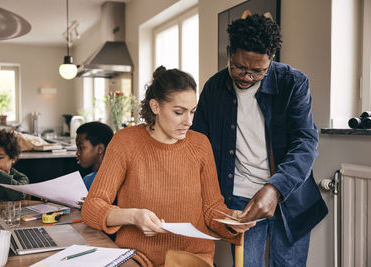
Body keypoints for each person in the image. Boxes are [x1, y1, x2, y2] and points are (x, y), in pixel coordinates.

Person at [81, 66, 255, 267]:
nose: (188, 121)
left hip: (192, 255)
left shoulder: (200, 144)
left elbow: (212, 208)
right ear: (155, 107)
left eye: (192, 112)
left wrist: (232, 219)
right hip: (137, 255)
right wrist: (133, 216)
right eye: (178, 112)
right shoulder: (125, 141)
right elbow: (92, 206)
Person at [191, 14, 328, 266]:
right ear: (229, 51)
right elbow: (197, 145)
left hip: (290, 195)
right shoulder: (214, 88)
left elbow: (306, 142)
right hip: (240, 202)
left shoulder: (293, 83)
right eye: (239, 67)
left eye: (258, 71)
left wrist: (275, 189)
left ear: (271, 60)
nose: (247, 77)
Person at [75, 121, 114, 190]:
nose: (77, 153)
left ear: (100, 149)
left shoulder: (89, 180)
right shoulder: (115, 176)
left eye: (81, 148)